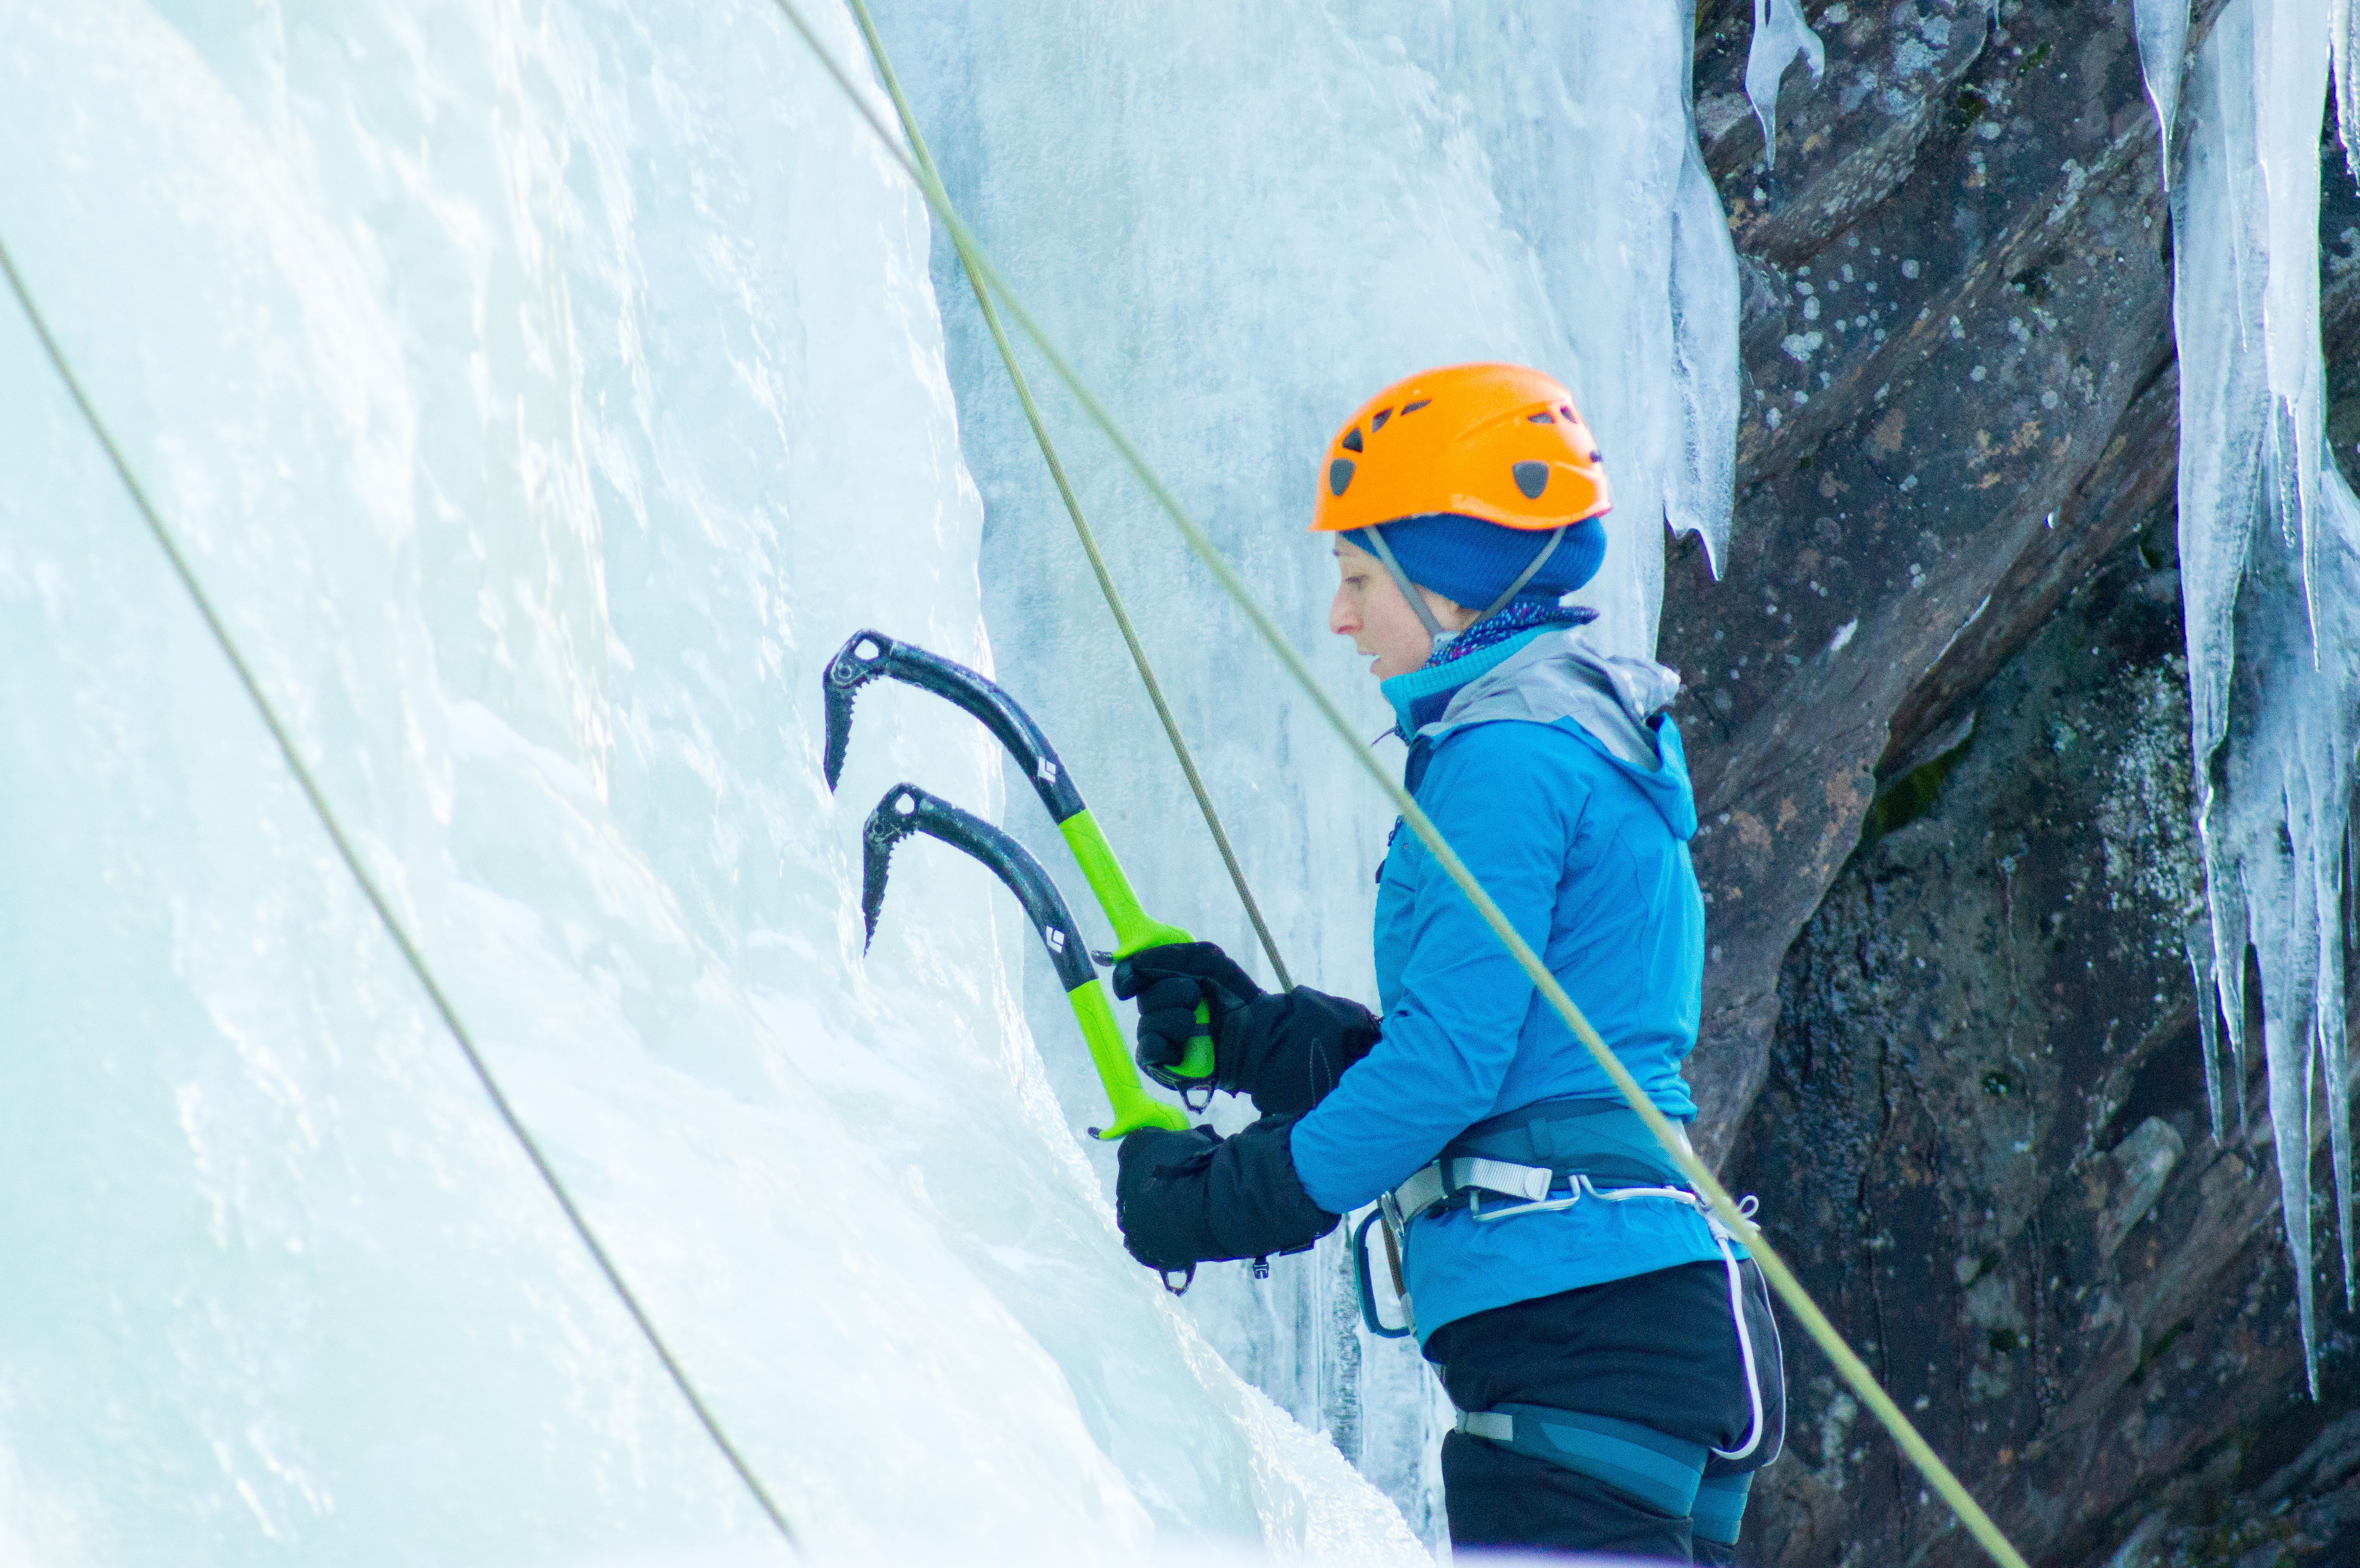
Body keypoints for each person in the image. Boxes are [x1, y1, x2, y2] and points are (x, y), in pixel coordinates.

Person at [1108, 363, 1785, 1562]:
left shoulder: (1502, 757)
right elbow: (1523, 1063)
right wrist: (1260, 1039)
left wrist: (1236, 1200)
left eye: (1358, 576)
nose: (1340, 617)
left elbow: (1452, 1068)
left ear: (1450, 582)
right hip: (1652, 1313)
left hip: (1579, 1326)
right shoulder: (1582, 736)